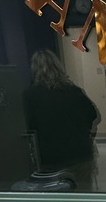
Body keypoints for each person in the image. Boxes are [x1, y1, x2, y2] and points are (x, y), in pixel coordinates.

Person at [23, 49, 101, 192]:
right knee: (83, 196)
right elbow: (93, 115)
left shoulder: (30, 96)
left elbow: (29, 126)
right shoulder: (74, 91)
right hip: (80, 153)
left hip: (51, 159)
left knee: (60, 199)